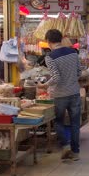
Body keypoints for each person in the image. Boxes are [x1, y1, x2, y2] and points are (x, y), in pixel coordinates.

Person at [37, 29, 81, 160]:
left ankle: (66, 145)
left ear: (49, 41)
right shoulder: (73, 52)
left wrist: (45, 85)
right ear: (61, 39)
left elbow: (56, 77)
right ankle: (75, 152)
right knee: (75, 124)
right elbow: (79, 72)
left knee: (58, 122)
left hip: (60, 95)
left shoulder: (50, 57)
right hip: (74, 93)